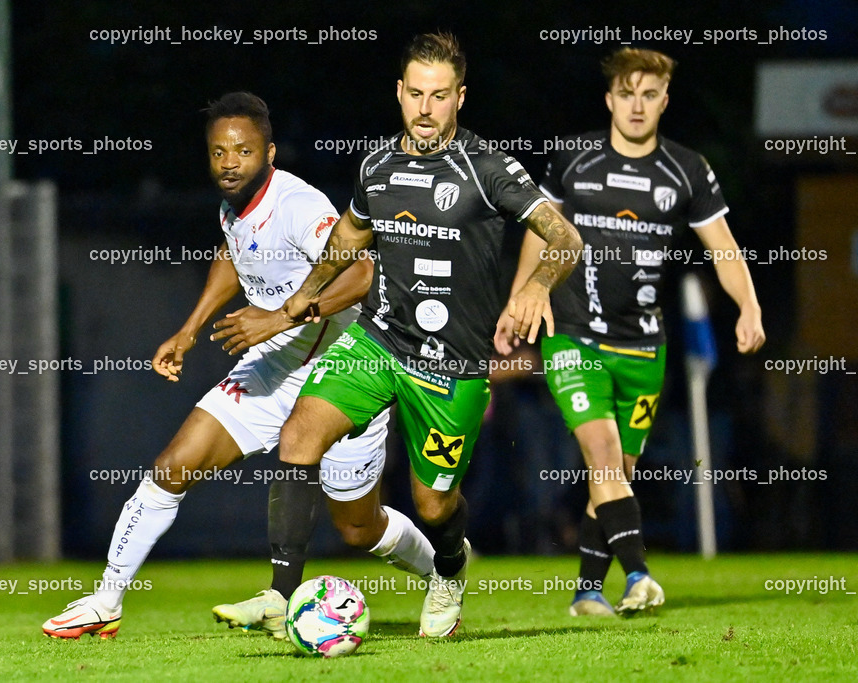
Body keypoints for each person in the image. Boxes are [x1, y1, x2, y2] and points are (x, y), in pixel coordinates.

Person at [42, 92, 430, 640]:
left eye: (243, 151)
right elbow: (232, 252)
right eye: (219, 152)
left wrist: (282, 315)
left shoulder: (298, 205)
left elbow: (364, 272)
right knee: (173, 466)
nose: (229, 162)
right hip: (274, 367)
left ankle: (442, 570)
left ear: (269, 153)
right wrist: (189, 329)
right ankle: (107, 599)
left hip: (343, 368)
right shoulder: (233, 203)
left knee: (358, 527)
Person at [269, 32, 582, 638]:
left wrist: (538, 285)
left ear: (460, 98)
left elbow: (563, 235)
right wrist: (310, 290)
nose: (425, 108)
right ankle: (281, 598)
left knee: (433, 505)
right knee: (300, 431)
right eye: (415, 93)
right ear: (399, 91)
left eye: (440, 96)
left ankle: (450, 563)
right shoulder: (378, 165)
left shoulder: (487, 167)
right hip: (379, 341)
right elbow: (351, 234)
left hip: (453, 366)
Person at [499, 47, 765, 616]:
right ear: (609, 99)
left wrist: (750, 307)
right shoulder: (572, 160)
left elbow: (723, 249)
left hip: (644, 345)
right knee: (601, 454)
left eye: (649, 95)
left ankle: (587, 591)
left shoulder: (687, 170)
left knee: (617, 473)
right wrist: (523, 298)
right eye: (627, 94)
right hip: (573, 335)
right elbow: (537, 233)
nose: (637, 106)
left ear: (664, 100)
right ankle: (640, 574)